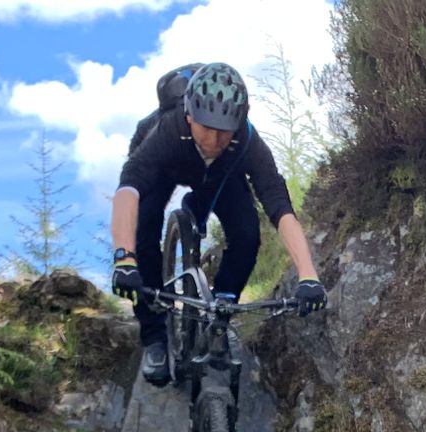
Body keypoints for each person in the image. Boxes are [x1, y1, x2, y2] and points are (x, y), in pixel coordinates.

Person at [108, 62, 326, 386]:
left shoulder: (246, 141)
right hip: (167, 166)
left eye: (226, 130)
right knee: (142, 233)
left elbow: (280, 209)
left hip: (222, 173)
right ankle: (154, 337)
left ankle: (223, 306)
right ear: (190, 115)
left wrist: (309, 275)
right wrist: (124, 259)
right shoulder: (166, 131)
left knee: (248, 234)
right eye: (207, 127)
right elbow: (128, 191)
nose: (215, 138)